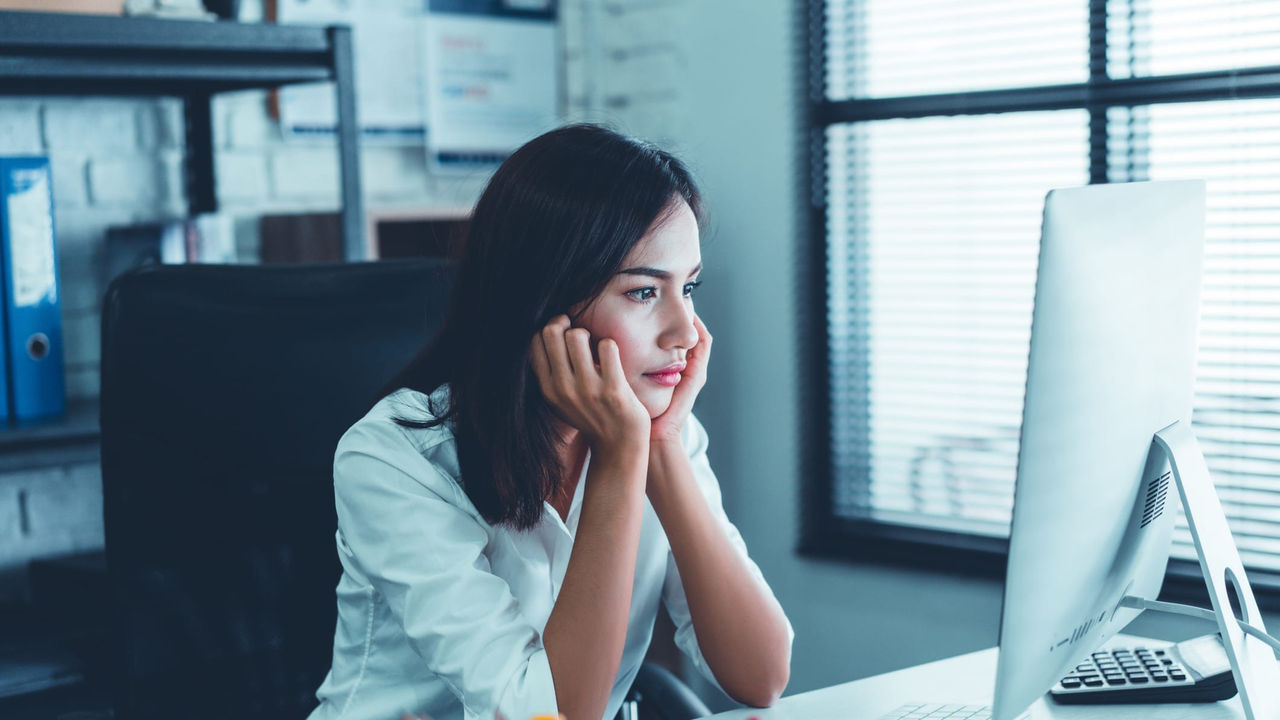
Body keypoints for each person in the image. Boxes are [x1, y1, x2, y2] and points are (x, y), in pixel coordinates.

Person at [309, 124, 793, 720]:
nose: (687, 332)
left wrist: (661, 449)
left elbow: (760, 677)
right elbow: (552, 716)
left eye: (688, 287)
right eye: (644, 292)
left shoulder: (656, 428)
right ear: (543, 302)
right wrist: (621, 462)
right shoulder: (396, 459)